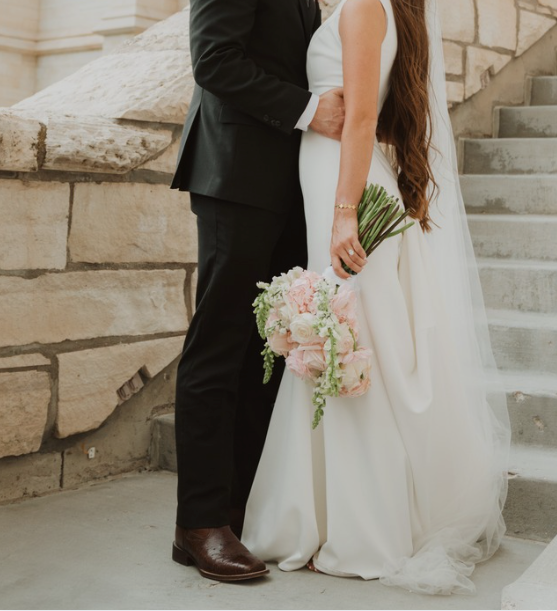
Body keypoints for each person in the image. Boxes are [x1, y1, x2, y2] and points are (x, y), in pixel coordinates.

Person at [242, 0, 511, 595]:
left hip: (347, 190)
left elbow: (362, 118)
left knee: (352, 348)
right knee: (350, 342)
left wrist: (344, 214)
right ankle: (332, 517)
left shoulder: (366, 6)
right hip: (339, 180)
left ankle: (361, 529)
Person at [169, 0, 347, 583]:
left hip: (292, 182)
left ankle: (238, 508)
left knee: (266, 354)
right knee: (218, 346)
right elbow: (214, 60)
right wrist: (310, 110)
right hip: (236, 174)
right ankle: (199, 523)